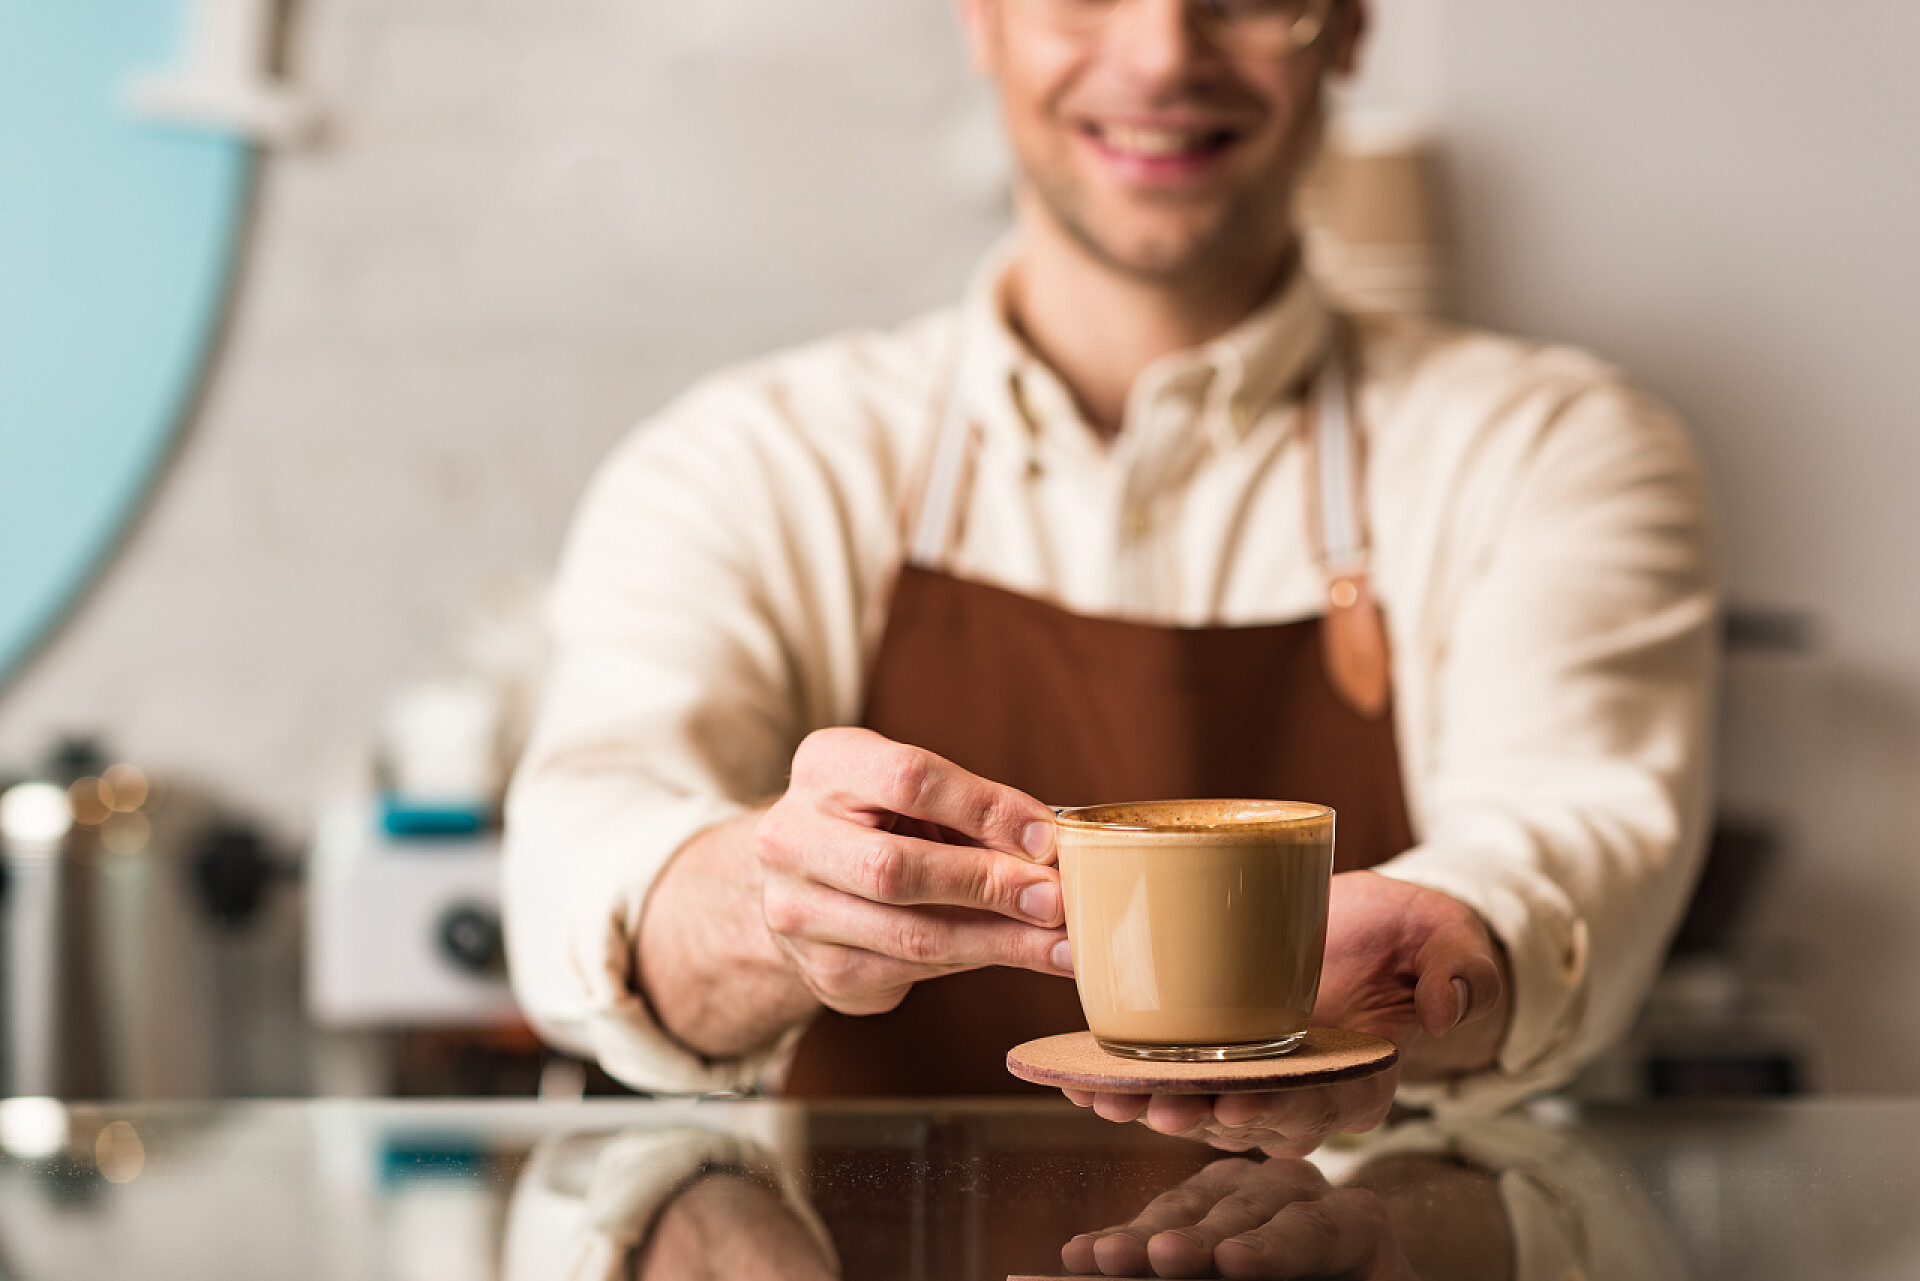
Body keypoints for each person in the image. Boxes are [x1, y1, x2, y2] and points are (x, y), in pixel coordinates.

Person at [503, 0, 1716, 1153]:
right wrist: (767, 905)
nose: (1162, 54)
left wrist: (1448, 941)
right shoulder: (747, 462)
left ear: (1348, 25)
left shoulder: (1550, 448)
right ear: (982, 18)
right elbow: (585, 868)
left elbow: (1563, 841)